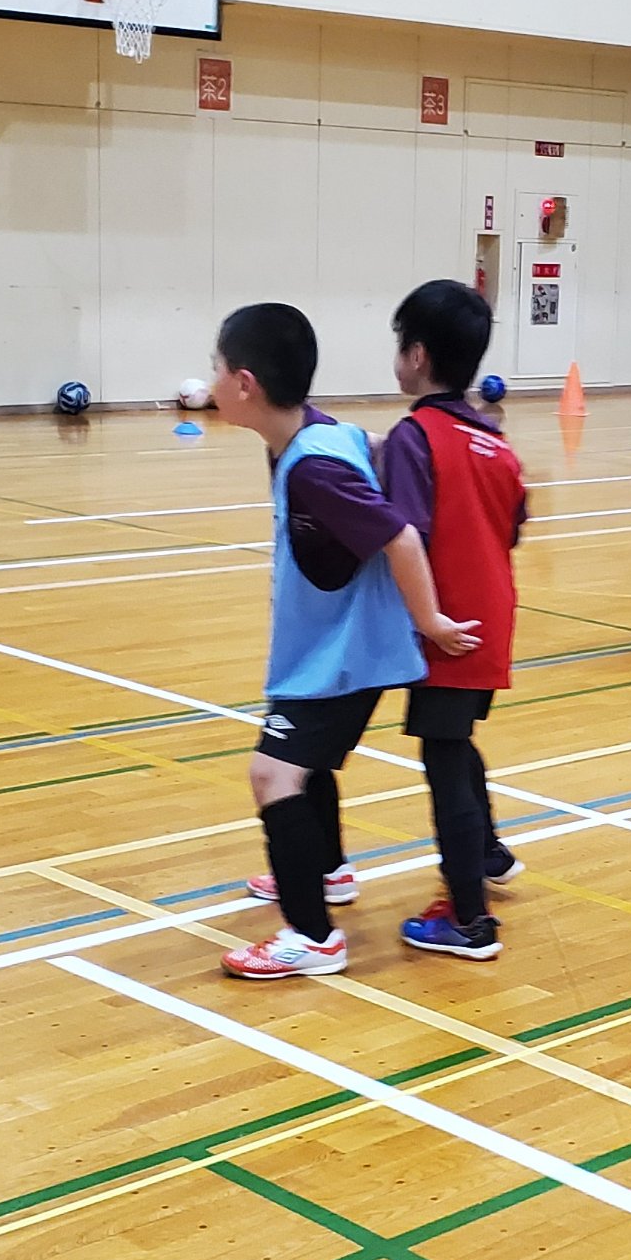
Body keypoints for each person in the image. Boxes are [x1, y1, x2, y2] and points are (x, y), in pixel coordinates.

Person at [212, 303, 476, 982]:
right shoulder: (316, 434)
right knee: (309, 766)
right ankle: (325, 872)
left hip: (345, 657)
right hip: (329, 648)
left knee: (273, 774)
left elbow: (400, 537)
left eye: (216, 368)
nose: (209, 381)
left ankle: (312, 937)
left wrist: (431, 621)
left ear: (244, 383)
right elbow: (375, 448)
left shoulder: (314, 467)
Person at [379, 280, 529, 963]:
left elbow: (404, 535)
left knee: (442, 757)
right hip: (491, 618)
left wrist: (427, 618)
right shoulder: (495, 442)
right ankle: (488, 853)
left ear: (416, 355)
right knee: (456, 739)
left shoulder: (417, 438)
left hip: (446, 626)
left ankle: (469, 919)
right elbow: (513, 526)